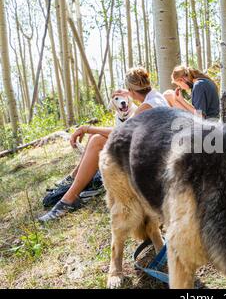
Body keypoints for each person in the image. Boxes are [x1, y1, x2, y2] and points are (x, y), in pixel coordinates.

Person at [38, 66, 169, 222]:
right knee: (98, 139)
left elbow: (120, 132)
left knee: (97, 141)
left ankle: (69, 199)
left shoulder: (146, 107)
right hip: (156, 152)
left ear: (131, 91)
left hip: (155, 164)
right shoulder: (155, 97)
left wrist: (87, 128)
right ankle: (73, 181)